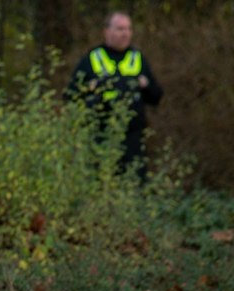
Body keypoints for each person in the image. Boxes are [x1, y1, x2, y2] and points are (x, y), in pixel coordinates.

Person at [68, 12, 163, 182]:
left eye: (128, 29)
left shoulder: (138, 58)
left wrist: (146, 85)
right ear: (106, 31)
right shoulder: (92, 59)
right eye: (120, 29)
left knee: (135, 184)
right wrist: (92, 88)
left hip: (132, 138)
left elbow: (156, 96)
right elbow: (71, 95)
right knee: (100, 183)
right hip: (100, 136)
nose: (125, 33)